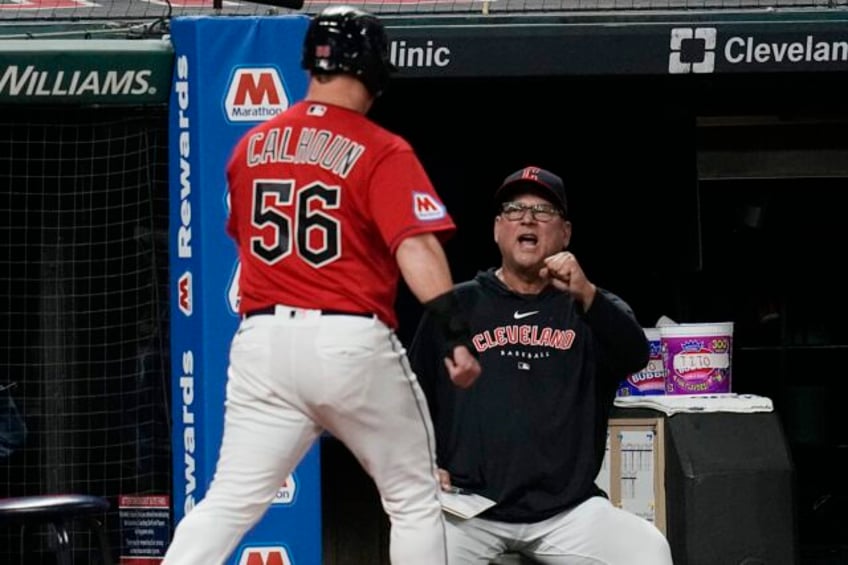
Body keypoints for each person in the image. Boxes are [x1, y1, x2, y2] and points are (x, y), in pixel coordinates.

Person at [162, 6, 481, 565]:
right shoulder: (382, 148)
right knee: (412, 498)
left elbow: (245, 236)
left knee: (229, 501)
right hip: (346, 337)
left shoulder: (250, 147)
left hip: (262, 343)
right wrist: (455, 333)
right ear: (374, 71)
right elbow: (415, 245)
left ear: (312, 63)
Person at [408, 166, 673, 565]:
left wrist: (588, 294)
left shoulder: (590, 307)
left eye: (543, 211)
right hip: (469, 508)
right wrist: (422, 464)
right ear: (497, 229)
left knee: (647, 551)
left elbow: (636, 354)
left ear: (565, 233)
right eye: (514, 210)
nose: (527, 219)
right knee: (416, 550)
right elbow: (409, 395)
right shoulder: (455, 307)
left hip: (568, 511)